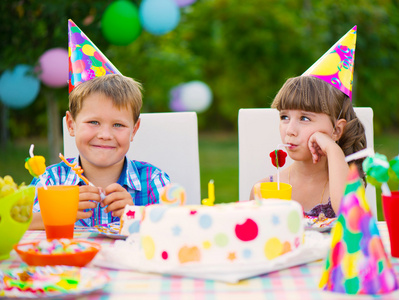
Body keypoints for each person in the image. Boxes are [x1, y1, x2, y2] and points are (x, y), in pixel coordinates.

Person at [29, 74, 170, 229]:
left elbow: (175, 231)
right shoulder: (50, 180)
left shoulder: (152, 180)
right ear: (71, 124)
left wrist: (137, 216)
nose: (105, 135)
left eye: (118, 125)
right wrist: (59, 213)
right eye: (93, 122)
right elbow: (19, 223)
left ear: (134, 130)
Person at [250, 75, 366, 218]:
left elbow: (350, 219)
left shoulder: (345, 183)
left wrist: (332, 149)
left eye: (305, 118)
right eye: (284, 117)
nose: (290, 130)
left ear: (336, 130)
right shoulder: (263, 190)